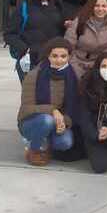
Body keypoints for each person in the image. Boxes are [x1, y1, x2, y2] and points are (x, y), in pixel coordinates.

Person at [17, 38, 78, 166]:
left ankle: (46, 145)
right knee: (47, 120)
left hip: (57, 121)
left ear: (69, 57)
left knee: (65, 142)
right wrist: (53, 111)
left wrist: (64, 122)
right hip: (33, 121)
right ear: (48, 56)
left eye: (63, 56)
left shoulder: (72, 76)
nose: (59, 60)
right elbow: (26, 109)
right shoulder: (34, 75)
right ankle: (33, 150)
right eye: (54, 56)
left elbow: (73, 109)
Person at [4, 0, 64, 82]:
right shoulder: (24, 7)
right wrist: (25, 49)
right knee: (31, 92)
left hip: (53, 62)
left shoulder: (58, 7)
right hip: (30, 62)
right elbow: (9, 34)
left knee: (52, 92)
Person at [64, 0, 107, 78]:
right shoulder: (79, 21)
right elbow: (68, 46)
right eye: (97, 6)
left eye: (104, 6)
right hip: (75, 63)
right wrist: (75, 68)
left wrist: (96, 70)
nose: (100, 9)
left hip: (97, 66)